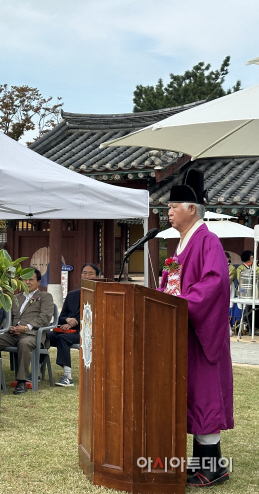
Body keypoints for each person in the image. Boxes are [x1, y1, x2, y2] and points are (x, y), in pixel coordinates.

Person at [159, 169, 233, 487]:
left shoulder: (208, 242)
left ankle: (214, 468)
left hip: (202, 335)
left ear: (192, 208)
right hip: (183, 331)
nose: (169, 211)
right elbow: (169, 285)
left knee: (203, 396)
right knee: (190, 395)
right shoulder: (181, 246)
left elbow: (214, 284)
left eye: (174, 205)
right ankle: (201, 464)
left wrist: (180, 304)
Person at [0, 268, 54, 395]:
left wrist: (27, 327)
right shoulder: (15, 297)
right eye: (24, 279)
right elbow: (8, 317)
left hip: (32, 334)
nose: (27, 282)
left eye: (31, 279)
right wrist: (9, 326)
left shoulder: (45, 296)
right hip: (12, 334)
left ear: (39, 282)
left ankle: (22, 381)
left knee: (24, 343)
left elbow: (45, 318)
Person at [48, 263, 100, 387]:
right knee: (46, 336)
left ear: (97, 277)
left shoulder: (99, 294)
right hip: (68, 329)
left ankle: (67, 376)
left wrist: (75, 322)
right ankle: (37, 370)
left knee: (62, 338)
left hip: (87, 331)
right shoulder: (72, 295)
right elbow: (61, 318)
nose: (87, 276)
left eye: (91, 273)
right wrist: (67, 320)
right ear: (81, 275)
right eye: (85, 273)